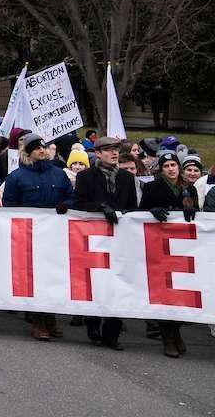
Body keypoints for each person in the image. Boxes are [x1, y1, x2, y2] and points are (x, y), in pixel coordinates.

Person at [2, 133, 72, 340]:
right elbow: (9, 206)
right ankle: (37, 319)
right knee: (33, 277)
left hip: (55, 235)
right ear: (28, 152)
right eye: (36, 148)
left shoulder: (59, 174)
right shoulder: (16, 177)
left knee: (52, 275)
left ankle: (49, 314)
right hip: (29, 236)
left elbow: (71, 196)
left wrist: (65, 205)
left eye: (43, 147)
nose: (42, 151)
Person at [72, 136, 137, 350]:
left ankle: (112, 334)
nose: (114, 153)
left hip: (120, 238)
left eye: (116, 149)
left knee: (118, 283)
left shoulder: (127, 178)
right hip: (95, 238)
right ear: (98, 153)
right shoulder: (86, 177)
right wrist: (101, 207)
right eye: (108, 150)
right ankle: (93, 323)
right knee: (97, 282)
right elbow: (80, 204)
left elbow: (132, 208)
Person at [140, 150, 199, 358]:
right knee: (164, 294)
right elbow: (139, 214)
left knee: (180, 293)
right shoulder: (152, 187)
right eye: (166, 166)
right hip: (159, 245)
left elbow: (197, 215)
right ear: (160, 169)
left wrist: (194, 213)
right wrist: (152, 211)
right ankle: (168, 338)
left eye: (174, 165)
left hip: (182, 247)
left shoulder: (188, 189)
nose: (171, 169)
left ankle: (176, 332)